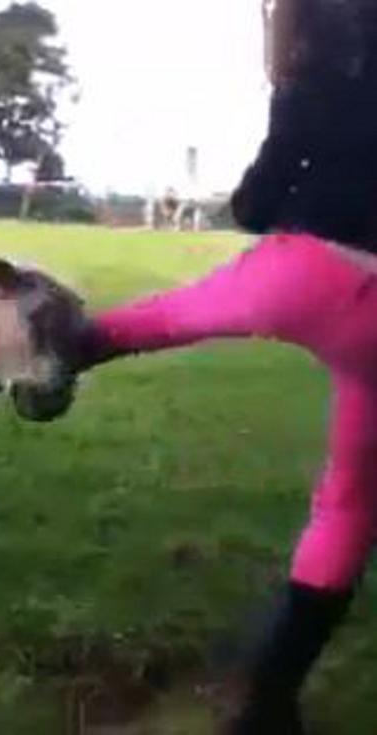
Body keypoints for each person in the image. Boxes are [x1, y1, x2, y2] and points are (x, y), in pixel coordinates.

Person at [45, 1, 377, 731]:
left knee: (180, 311)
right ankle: (266, 701)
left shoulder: (316, 70)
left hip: (313, 273)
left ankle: (66, 346)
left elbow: (258, 207)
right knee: (351, 500)